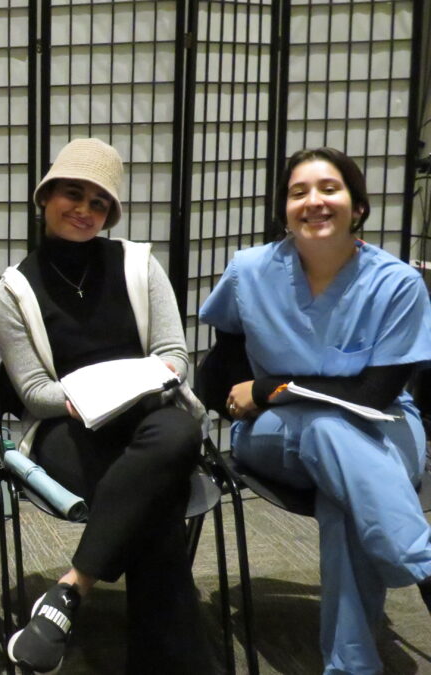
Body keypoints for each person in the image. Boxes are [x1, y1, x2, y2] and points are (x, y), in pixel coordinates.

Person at [200, 147, 431, 675]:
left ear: (359, 206)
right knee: (328, 429)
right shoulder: (250, 272)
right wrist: (255, 400)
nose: (314, 201)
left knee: (342, 493)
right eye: (298, 191)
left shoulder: (398, 284)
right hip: (274, 435)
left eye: (330, 188)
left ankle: (351, 666)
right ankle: (421, 562)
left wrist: (270, 386)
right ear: (284, 210)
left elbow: (374, 396)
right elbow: (219, 372)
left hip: (385, 425)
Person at [0, 138, 210, 673]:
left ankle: (71, 589)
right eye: (72, 194)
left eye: (99, 203)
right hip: (69, 431)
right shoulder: (14, 291)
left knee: (177, 437)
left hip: (149, 421)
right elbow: (36, 394)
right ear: (45, 198)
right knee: (157, 497)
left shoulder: (139, 265)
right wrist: (90, 394)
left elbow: (175, 356)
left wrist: (152, 378)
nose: (84, 211)